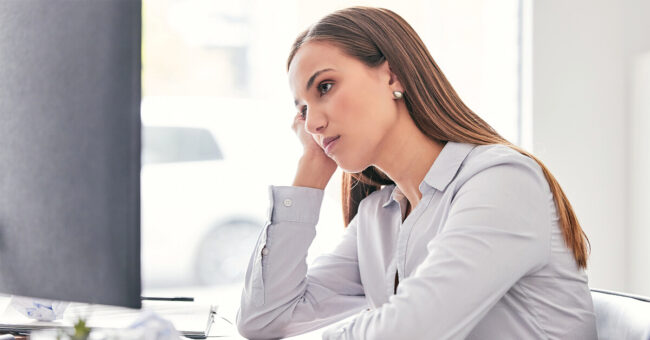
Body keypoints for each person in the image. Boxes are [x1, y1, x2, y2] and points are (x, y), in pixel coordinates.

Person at [237, 6, 597, 339]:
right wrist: (310, 175)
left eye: (325, 87)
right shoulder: (379, 216)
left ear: (392, 75)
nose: (313, 123)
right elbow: (264, 319)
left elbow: (413, 329)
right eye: (302, 110)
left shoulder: (502, 181)